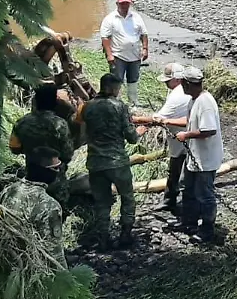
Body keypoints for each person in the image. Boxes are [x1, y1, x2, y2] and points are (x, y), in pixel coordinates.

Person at [84, 73, 147, 250]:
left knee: (102, 202)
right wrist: (140, 131)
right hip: (117, 162)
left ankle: (103, 239)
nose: (119, 92)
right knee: (127, 197)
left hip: (95, 162)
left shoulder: (87, 107)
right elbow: (131, 137)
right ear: (112, 88)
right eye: (118, 88)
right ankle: (125, 235)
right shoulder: (119, 107)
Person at [132, 63, 191, 213]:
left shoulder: (178, 95)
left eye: (167, 80)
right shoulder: (177, 90)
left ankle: (184, 208)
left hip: (186, 138)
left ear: (177, 79)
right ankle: (170, 201)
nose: (165, 82)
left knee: (184, 174)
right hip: (178, 138)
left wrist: (135, 119)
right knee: (175, 170)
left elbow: (157, 119)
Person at [0, 147, 67, 265]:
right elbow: (54, 254)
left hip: (2, 261)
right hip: (30, 268)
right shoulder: (49, 206)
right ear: (44, 171)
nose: (59, 171)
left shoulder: (8, 191)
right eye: (56, 168)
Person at [178, 66, 223, 243]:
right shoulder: (193, 99)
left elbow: (209, 129)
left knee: (205, 194)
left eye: (183, 82)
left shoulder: (205, 103)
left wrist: (186, 135)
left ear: (188, 84)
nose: (181, 85)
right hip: (195, 156)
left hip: (205, 158)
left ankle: (207, 229)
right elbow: (190, 122)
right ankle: (188, 222)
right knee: (187, 187)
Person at [10, 84, 74, 206]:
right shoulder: (60, 125)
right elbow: (68, 154)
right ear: (54, 102)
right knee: (57, 208)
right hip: (55, 179)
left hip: (31, 175)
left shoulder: (22, 122)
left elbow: (14, 148)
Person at [100, 0, 149, 106]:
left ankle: (133, 102)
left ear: (130, 4)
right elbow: (105, 38)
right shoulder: (110, 19)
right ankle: (117, 102)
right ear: (117, 4)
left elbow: (144, 34)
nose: (124, 6)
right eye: (122, 3)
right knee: (117, 80)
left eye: (127, 3)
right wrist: (109, 54)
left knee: (133, 79)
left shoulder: (136, 17)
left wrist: (145, 48)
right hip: (118, 55)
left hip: (135, 55)